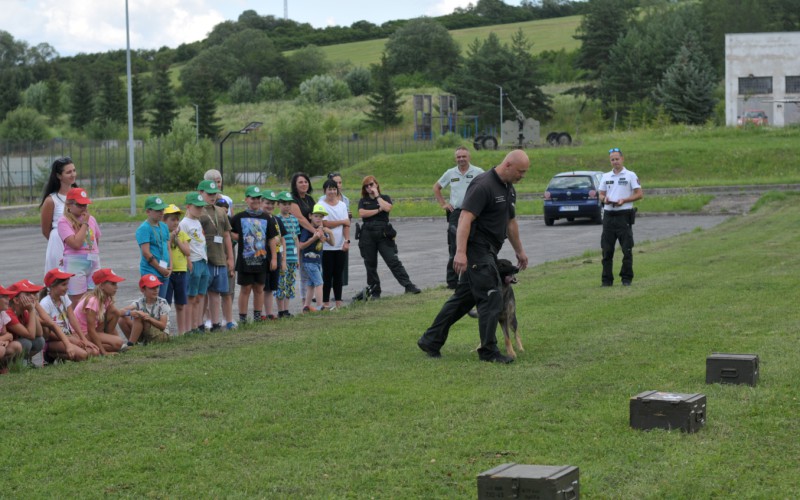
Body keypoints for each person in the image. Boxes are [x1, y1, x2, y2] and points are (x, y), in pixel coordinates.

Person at [418, 150, 531, 364]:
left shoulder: (508, 189)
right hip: (477, 248)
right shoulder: (484, 185)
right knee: (492, 296)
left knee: (462, 300)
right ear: (507, 165)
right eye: (520, 171)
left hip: (490, 250)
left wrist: (519, 250)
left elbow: (510, 223)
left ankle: (430, 340)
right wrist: (460, 252)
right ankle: (488, 351)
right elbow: (464, 219)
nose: (522, 176)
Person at [357, 175, 421, 299]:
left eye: (371, 184)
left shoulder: (384, 198)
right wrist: (378, 210)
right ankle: (375, 291)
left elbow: (387, 207)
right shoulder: (363, 200)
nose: (369, 187)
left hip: (383, 233)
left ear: (376, 184)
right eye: (367, 186)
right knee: (370, 263)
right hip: (367, 233)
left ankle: (408, 286)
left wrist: (377, 196)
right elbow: (362, 213)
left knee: (393, 261)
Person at [433, 146, 484, 289]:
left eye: (464, 156)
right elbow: (436, 187)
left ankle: (472, 278)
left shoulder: (478, 172)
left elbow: (487, 187)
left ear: (469, 157)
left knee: (474, 245)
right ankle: (453, 282)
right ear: (455, 158)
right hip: (456, 213)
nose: (461, 159)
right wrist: (443, 204)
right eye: (458, 157)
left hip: (473, 212)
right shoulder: (450, 173)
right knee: (455, 247)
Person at [230, 186, 278, 323]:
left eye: (258, 198)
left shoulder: (266, 218)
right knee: (245, 288)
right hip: (245, 260)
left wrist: (274, 258)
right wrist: (240, 237)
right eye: (253, 198)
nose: (256, 201)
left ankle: (257, 317)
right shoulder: (239, 217)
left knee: (259, 288)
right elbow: (228, 231)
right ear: (246, 199)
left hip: (261, 259)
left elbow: (271, 239)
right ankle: (243, 318)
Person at [598, 148, 643, 287]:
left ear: (622, 159)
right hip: (609, 215)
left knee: (627, 249)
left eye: (617, 159)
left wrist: (625, 200)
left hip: (624, 215)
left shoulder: (630, 175)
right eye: (612, 159)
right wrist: (604, 199)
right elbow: (600, 194)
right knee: (607, 250)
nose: (615, 162)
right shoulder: (606, 176)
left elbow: (639, 194)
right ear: (610, 161)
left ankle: (626, 278)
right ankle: (606, 280)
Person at [197, 179, 235, 331]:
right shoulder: (198, 212)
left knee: (215, 293)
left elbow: (227, 235)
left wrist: (230, 257)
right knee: (201, 294)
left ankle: (215, 323)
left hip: (220, 258)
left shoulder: (220, 211)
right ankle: (199, 323)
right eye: (209, 194)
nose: (212, 197)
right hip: (204, 258)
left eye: (214, 194)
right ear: (201, 193)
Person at [38, 268, 99, 360]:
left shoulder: (64, 297)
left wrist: (84, 339)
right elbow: (47, 332)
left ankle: (66, 352)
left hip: (67, 335)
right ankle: (50, 354)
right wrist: (69, 339)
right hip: (53, 340)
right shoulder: (45, 303)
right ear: (52, 286)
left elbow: (72, 319)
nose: (67, 287)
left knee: (94, 352)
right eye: (63, 285)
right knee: (83, 355)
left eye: (67, 284)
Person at [58, 187, 101, 304]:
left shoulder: (91, 219)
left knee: (94, 298)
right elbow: (76, 244)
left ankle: (91, 322)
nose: (84, 208)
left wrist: (93, 253)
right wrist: (85, 224)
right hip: (76, 263)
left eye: (85, 205)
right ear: (69, 205)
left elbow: (96, 239)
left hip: (93, 261)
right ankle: (78, 322)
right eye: (80, 205)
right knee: (78, 301)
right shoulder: (64, 221)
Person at [73, 268, 126, 355]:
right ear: (101, 286)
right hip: (81, 334)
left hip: (92, 331)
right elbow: (91, 330)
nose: (116, 287)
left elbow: (117, 313)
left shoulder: (107, 298)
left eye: (116, 284)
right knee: (118, 342)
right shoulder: (93, 301)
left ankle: (96, 346)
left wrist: (130, 313)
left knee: (114, 312)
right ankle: (89, 347)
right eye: (113, 284)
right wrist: (104, 352)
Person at [39, 157, 78, 274]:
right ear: (59, 176)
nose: (73, 174)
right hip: (59, 242)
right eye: (68, 172)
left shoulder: (79, 194)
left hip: (79, 241)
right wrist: (61, 239)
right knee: (60, 278)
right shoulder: (51, 200)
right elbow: (46, 230)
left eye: (74, 170)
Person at [180, 192, 211, 333]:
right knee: (191, 296)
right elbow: (184, 244)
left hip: (203, 260)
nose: (199, 209)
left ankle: (198, 323)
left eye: (201, 207)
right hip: (194, 261)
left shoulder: (198, 221)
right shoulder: (184, 223)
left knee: (200, 295)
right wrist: (188, 261)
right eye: (196, 207)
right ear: (188, 206)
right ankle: (190, 327)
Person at [318, 178, 350, 309]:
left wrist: (347, 241)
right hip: (326, 246)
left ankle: (338, 301)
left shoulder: (342, 205)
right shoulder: (321, 204)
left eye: (334, 189)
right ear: (324, 191)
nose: (332, 192)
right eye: (329, 189)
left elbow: (347, 225)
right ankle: (325, 302)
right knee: (327, 275)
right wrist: (342, 221)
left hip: (340, 245)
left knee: (338, 274)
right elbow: (325, 223)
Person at [298, 204, 334, 312]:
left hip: (317, 261)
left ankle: (306, 307)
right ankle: (320, 306)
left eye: (321, 216)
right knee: (319, 283)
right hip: (309, 261)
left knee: (311, 284)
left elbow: (332, 243)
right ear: (310, 216)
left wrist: (330, 232)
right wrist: (314, 238)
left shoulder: (321, 230)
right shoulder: (307, 231)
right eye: (316, 216)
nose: (319, 218)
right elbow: (301, 245)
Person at [135, 195, 171, 298]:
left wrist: (171, 267)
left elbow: (168, 248)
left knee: (162, 304)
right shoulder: (144, 228)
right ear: (148, 211)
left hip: (164, 271)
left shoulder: (163, 226)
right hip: (151, 271)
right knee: (152, 304)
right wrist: (160, 269)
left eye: (162, 209)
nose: (161, 212)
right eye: (157, 210)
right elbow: (146, 253)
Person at [118, 274, 171, 345]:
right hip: (146, 334)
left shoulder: (162, 302)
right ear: (142, 289)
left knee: (140, 317)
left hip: (161, 334)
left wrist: (148, 318)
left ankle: (130, 344)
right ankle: (133, 344)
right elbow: (119, 312)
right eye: (152, 288)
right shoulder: (140, 302)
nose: (156, 290)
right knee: (122, 319)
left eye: (157, 287)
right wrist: (131, 313)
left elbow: (163, 326)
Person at [164, 204, 191, 335]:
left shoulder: (182, 234)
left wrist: (177, 239)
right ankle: (166, 331)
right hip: (169, 272)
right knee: (166, 304)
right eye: (172, 219)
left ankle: (182, 331)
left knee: (181, 304)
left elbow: (187, 251)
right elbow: (165, 246)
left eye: (177, 219)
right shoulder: (163, 234)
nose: (175, 222)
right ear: (165, 220)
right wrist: (170, 236)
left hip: (181, 271)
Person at [6, 280, 47, 366]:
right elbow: (31, 335)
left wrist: (32, 310)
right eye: (28, 295)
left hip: (14, 345)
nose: (32, 297)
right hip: (6, 346)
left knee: (40, 341)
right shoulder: (9, 313)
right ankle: (14, 365)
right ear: (16, 300)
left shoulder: (24, 312)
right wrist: (31, 310)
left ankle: (23, 362)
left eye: (32, 294)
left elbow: (39, 333)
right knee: (26, 343)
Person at [260, 190, 285, 320]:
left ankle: (269, 313)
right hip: (262, 256)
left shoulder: (276, 219)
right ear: (261, 202)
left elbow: (282, 239)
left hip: (275, 255)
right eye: (267, 203)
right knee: (261, 287)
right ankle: (260, 313)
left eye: (272, 204)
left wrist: (282, 258)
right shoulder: (259, 219)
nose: (270, 206)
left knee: (270, 287)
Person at [275, 191, 300, 318]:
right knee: (281, 284)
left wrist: (298, 258)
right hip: (283, 258)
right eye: (284, 203)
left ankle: (286, 310)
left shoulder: (294, 220)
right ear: (278, 204)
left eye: (289, 203)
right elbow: (277, 240)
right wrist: (280, 256)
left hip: (293, 257)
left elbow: (296, 239)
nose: (287, 206)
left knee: (290, 284)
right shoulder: (276, 219)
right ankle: (280, 310)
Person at [0, 285, 24, 374]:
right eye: (5, 297)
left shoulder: (2, 314)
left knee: (16, 346)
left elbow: (8, 335)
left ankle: (2, 368)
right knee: (1, 350)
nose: (8, 300)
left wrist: (5, 341)